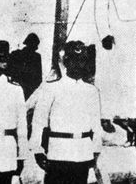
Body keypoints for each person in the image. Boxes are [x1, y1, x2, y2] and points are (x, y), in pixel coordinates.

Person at [30, 41, 102, 184]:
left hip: (82, 153)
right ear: (66, 62)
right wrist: (37, 150)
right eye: (73, 60)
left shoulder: (91, 91)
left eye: (82, 61)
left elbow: (96, 125)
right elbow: (38, 121)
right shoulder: (51, 88)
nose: (78, 65)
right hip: (58, 154)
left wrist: (95, 150)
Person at [94, 0, 136, 125]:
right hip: (112, 36)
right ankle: (105, 116)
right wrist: (105, 34)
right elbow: (100, 9)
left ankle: (124, 115)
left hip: (129, 36)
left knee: (128, 77)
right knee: (108, 76)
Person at [0, 40, 28, 184]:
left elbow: (22, 127)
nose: (2, 62)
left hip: (6, 151)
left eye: (4, 58)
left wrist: (21, 158)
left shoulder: (15, 90)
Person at [9, 33, 42, 100]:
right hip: (25, 89)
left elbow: (38, 76)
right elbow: (39, 77)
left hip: (21, 88)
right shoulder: (36, 56)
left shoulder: (16, 54)